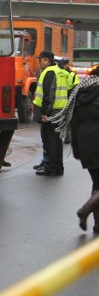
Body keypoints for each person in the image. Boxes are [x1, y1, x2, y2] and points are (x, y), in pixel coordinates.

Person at [51, 65, 99, 232]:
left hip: (85, 140)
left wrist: (77, 150)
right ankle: (85, 210)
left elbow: (74, 124)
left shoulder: (80, 92)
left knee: (97, 182)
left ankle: (97, 223)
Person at [32, 50, 69, 176]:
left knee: (50, 140)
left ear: (47, 60)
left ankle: (51, 168)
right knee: (57, 141)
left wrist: (44, 112)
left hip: (51, 112)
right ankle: (58, 167)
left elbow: (48, 95)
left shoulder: (49, 72)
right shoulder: (60, 71)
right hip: (60, 110)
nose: (39, 63)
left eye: (40, 60)